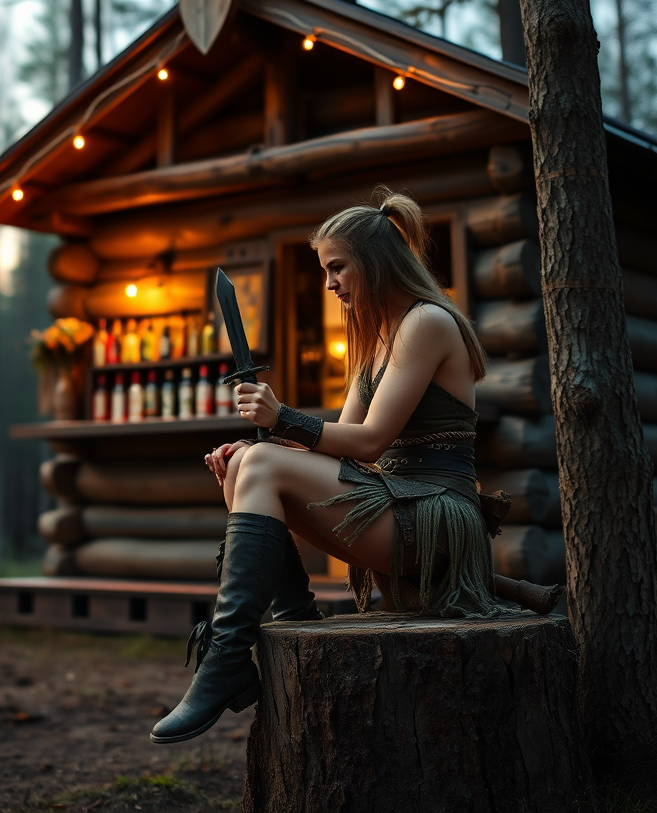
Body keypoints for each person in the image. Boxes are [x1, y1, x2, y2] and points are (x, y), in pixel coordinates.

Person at [150, 190, 500, 745]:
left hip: (436, 517)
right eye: (326, 269)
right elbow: (337, 448)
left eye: (337, 267)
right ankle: (293, 617)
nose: (330, 283)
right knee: (248, 464)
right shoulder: (375, 339)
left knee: (262, 459)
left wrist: (281, 418)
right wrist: (255, 453)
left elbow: (370, 441)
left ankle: (224, 659)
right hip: (396, 505)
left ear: (375, 262)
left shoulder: (426, 322)